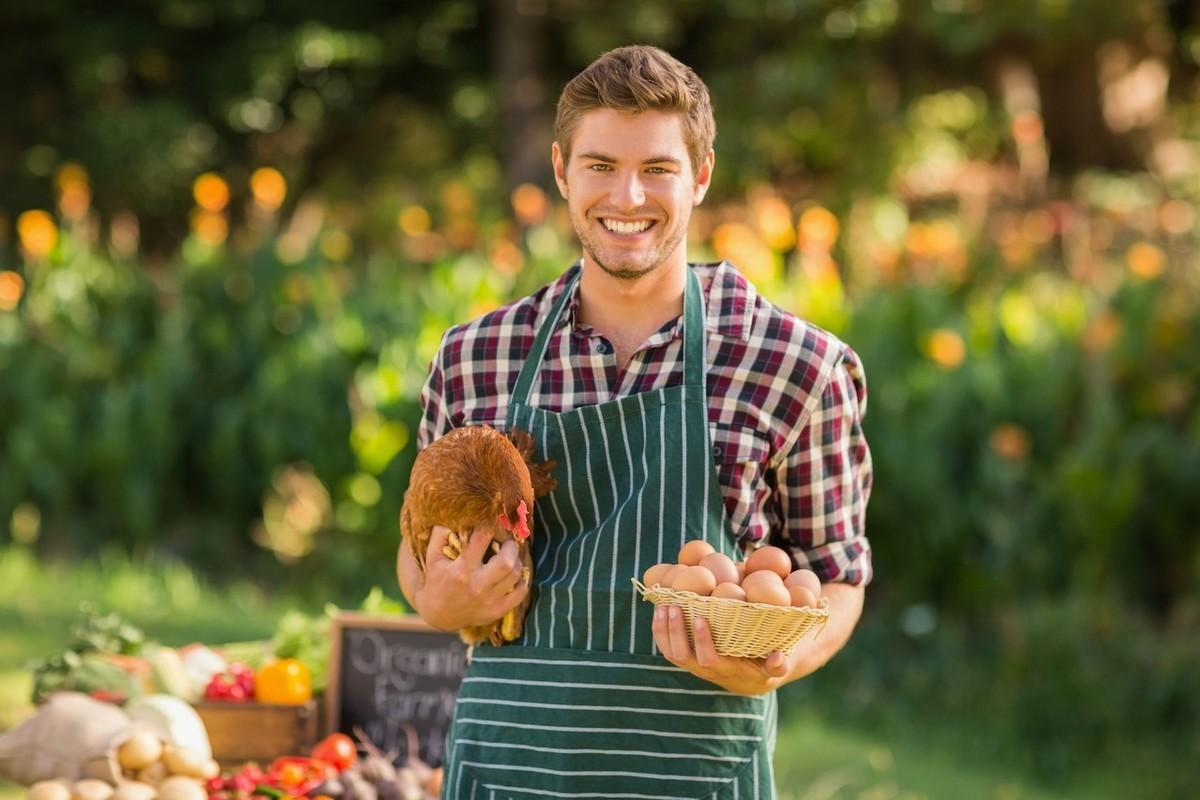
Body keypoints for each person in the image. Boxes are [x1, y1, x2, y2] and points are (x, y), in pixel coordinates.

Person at [397, 44, 872, 799]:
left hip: (697, 775)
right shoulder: (476, 356)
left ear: (702, 174)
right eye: (599, 166)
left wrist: (777, 663)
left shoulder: (794, 366)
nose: (627, 195)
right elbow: (418, 547)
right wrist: (434, 602)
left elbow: (838, 575)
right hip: (507, 773)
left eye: (657, 168)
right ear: (560, 169)